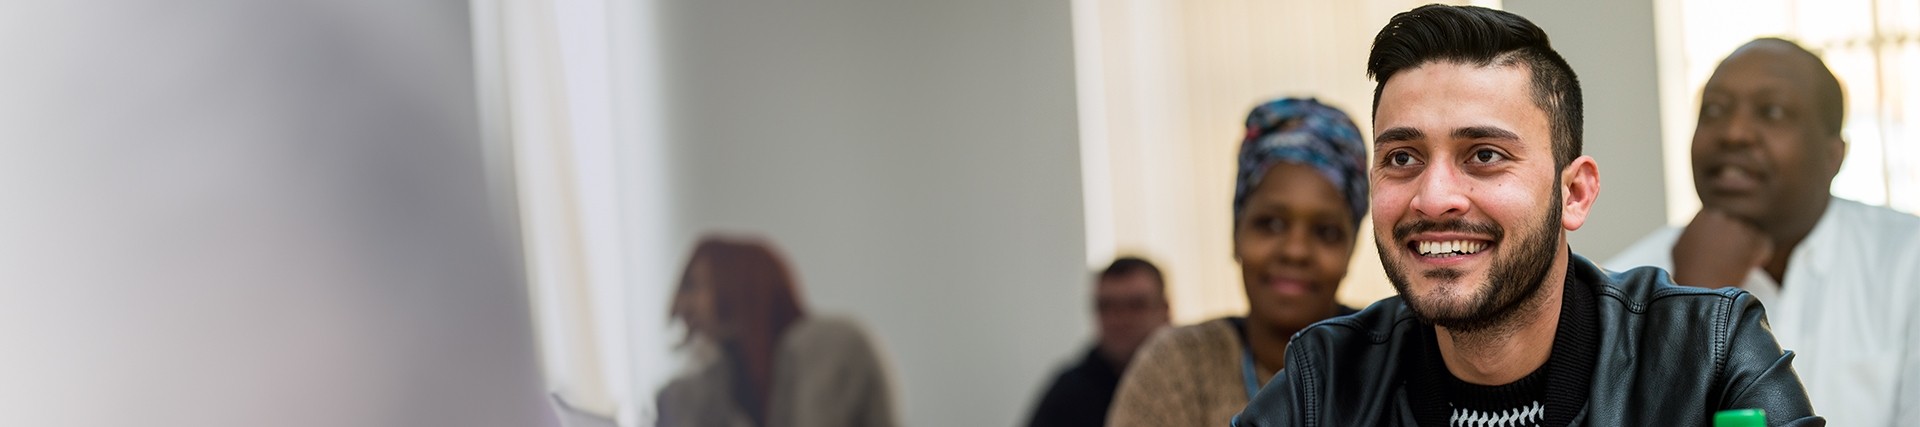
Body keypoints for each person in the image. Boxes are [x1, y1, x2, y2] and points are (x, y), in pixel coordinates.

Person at [1235, 5, 1823, 426]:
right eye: (1403, 157)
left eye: (1485, 156)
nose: (1434, 197)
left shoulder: (1707, 354)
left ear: (1575, 193)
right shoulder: (1326, 382)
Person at [1608, 37, 1920, 426]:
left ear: (1833, 155)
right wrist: (1694, 300)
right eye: (1714, 111)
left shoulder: (1908, 261)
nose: (1734, 133)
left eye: (1771, 112)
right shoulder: (1618, 289)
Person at [1106, 97, 1370, 427]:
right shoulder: (1178, 368)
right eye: (1271, 224)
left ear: (1351, 248)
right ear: (1236, 233)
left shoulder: (1390, 365)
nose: (1295, 251)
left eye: (1325, 232)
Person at [656, 236, 899, 427]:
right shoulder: (717, 380)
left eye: (696, 286)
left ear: (740, 286)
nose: (684, 304)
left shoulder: (828, 348)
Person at [1026, 257, 1172, 427]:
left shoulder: (1193, 381)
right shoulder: (1069, 394)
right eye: (1106, 306)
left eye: (1136, 306)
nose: (1120, 319)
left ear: (1165, 310)